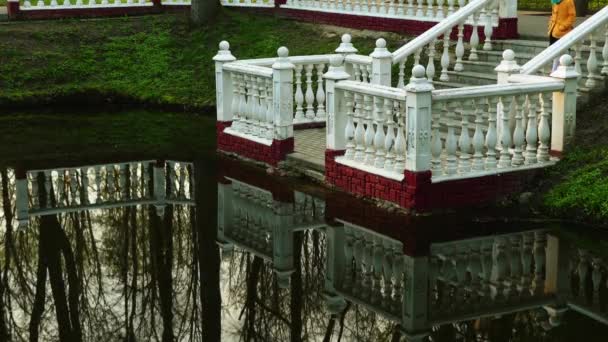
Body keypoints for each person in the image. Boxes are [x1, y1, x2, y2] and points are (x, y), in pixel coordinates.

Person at [548, 0, 576, 70]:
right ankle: (555, 70)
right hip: (553, 31)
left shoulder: (568, 1)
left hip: (563, 32)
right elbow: (553, 14)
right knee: (554, 53)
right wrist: (550, 25)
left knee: (559, 53)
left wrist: (563, 26)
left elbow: (572, 16)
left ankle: (554, 71)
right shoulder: (554, 1)